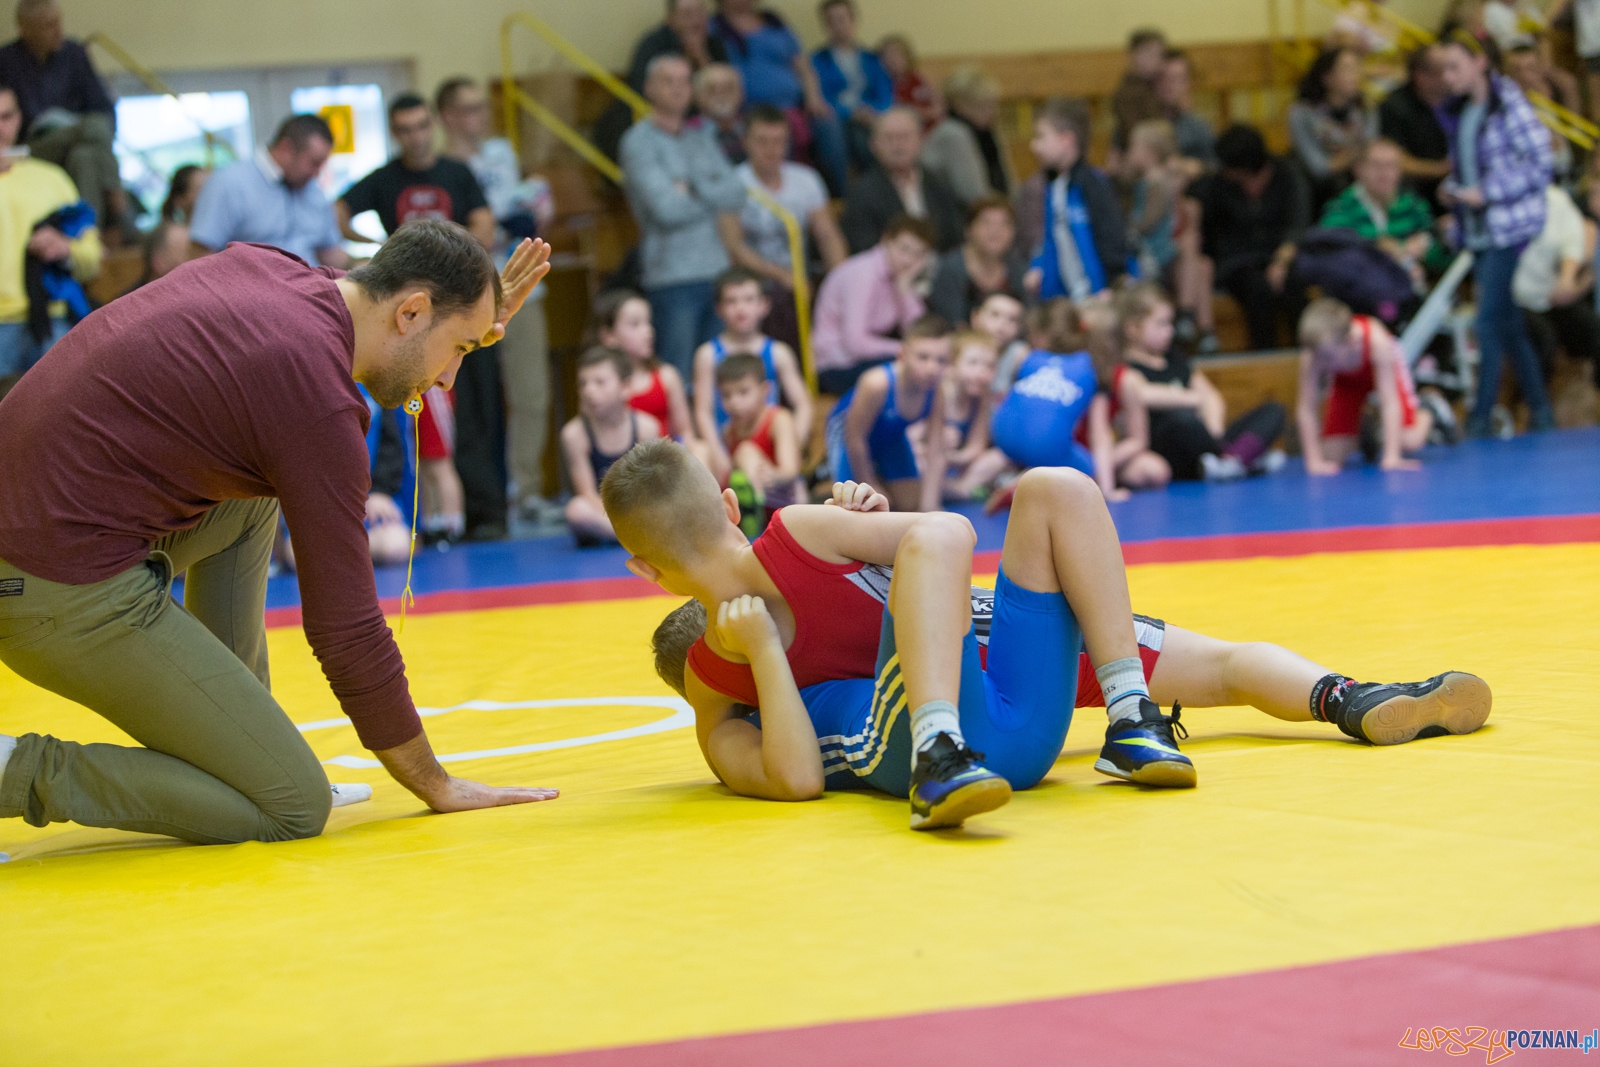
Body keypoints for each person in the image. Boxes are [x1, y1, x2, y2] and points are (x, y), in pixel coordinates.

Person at [0, 222, 559, 844]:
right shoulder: (314, 401)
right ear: (411, 311)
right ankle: (13, 770)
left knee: (251, 497)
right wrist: (433, 782)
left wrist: (472, 319)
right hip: (47, 576)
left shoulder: (277, 272)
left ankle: (239, 749)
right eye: (458, 348)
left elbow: (406, 328)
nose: (449, 379)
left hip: (39, 522)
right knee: (292, 804)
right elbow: (346, 630)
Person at [599, 448, 1203, 827]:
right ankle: (938, 751)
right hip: (942, 732)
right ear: (731, 507)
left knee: (1056, 486)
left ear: (644, 570)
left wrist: (883, 546)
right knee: (962, 526)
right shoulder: (721, 659)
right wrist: (761, 650)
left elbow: (944, 538)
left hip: (995, 713)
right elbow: (798, 780)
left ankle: (1130, 716)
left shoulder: (801, 543)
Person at [645, 573, 1492, 817]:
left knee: (1223, 665)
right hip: (1032, 623)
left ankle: (1356, 697)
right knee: (1230, 662)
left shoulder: (797, 684)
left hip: (998, 673)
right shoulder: (804, 607)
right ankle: (1351, 695)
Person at [338, 94, 506, 540]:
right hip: (413, 315)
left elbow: (485, 229)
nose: (415, 136)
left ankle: (485, 515)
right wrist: (373, 250)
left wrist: (450, 257)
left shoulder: (456, 173)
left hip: (460, 305)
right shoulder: (385, 179)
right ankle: (442, 522)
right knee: (427, 437)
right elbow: (336, 213)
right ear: (395, 133)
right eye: (404, 128)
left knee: (471, 415)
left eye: (420, 125)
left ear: (433, 125)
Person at [437, 76, 557, 524]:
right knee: (472, 402)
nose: (479, 118)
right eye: (469, 109)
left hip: (523, 281)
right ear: (447, 115)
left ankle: (523, 490)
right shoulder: (443, 169)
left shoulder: (503, 155)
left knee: (531, 394)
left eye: (482, 108)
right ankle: (468, 498)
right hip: (471, 293)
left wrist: (538, 206)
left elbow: (532, 210)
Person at [1435, 30, 1556, 435]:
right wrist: (1455, 194)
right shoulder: (1463, 111)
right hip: (1481, 231)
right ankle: (1541, 410)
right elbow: (1469, 167)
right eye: (1443, 69)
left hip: (1507, 228)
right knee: (1507, 325)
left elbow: (1542, 160)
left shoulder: (1508, 105)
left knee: (1486, 323)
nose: (1448, 77)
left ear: (1480, 62)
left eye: (1455, 67)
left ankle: (1481, 417)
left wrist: (1488, 194)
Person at [619, 53, 748, 383]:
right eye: (668, 81)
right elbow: (666, 210)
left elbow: (737, 193)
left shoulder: (700, 138)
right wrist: (709, 190)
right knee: (680, 378)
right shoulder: (638, 142)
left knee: (722, 378)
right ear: (648, 88)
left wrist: (690, 188)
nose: (678, 89)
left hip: (716, 271)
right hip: (672, 279)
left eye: (684, 81)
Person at [1114, 282, 1286, 484]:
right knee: (1181, 421)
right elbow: (1141, 394)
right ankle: (1241, 459)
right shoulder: (1127, 366)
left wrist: (1213, 430)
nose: (1169, 331)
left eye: (1171, 324)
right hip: (1169, 447)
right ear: (1132, 328)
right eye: (1161, 324)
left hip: (1204, 440)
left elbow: (1211, 397)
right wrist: (1192, 399)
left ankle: (1228, 459)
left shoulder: (1175, 359)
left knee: (1274, 410)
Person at [719, 102, 848, 347]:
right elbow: (734, 247)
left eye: (779, 141)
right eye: (762, 141)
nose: (772, 149)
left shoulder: (806, 179)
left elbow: (827, 235)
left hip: (800, 280)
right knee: (780, 302)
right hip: (753, 283)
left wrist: (841, 280)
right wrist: (782, 276)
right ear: (745, 142)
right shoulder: (732, 183)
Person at [0, 80, 99, 378]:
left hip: (52, 318)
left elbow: (92, 258)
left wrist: (66, 249)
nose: (0, 128)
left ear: (18, 118)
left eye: (5, 117)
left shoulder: (52, 179)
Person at [0, 0, 119, 232]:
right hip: (25, 151)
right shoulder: (5, 62)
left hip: (74, 147)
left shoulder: (74, 54)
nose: (58, 31)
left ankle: (86, 234)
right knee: (90, 129)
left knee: (85, 156)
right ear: (25, 29)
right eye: (48, 26)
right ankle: (115, 193)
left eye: (58, 23)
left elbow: (103, 109)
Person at [711, 0, 848, 195]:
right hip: (748, 109)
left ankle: (837, 197)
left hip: (793, 105)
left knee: (828, 122)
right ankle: (784, 197)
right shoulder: (715, 27)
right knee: (775, 128)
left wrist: (814, 97)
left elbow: (804, 68)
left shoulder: (775, 23)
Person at [1192, 124, 1310, 350]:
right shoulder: (1217, 186)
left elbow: (1298, 223)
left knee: (1293, 285)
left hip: (1281, 254)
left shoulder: (1287, 175)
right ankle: (1266, 354)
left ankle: (1305, 353)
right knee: (1258, 288)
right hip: (1237, 262)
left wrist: (1281, 261)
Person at [691, 266, 812, 478]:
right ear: (719, 309)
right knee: (699, 451)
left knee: (753, 454)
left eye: (748, 300)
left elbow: (803, 405)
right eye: (732, 301)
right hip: (726, 443)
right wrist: (719, 456)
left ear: (764, 306)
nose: (741, 308)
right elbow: (703, 412)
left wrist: (792, 444)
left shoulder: (778, 353)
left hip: (768, 442)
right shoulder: (708, 355)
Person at [825, 313, 950, 514]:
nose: (932, 368)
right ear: (903, 356)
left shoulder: (936, 392)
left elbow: (936, 450)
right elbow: (855, 440)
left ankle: (884, 479)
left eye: (941, 360)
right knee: (861, 506)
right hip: (848, 436)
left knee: (911, 504)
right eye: (923, 357)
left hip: (891, 438)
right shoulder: (876, 383)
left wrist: (931, 506)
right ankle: (825, 484)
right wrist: (873, 484)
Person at [188, 113, 349, 268]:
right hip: (253, 292)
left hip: (312, 289)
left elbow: (329, 252)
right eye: (314, 163)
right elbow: (201, 257)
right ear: (286, 148)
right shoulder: (229, 184)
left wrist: (364, 270)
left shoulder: (313, 190)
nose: (317, 173)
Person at [1296, 296, 1433, 473]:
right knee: (1331, 454)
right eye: (1318, 356)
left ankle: (1428, 410)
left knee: (1410, 441)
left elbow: (1389, 401)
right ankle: (1370, 428)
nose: (1321, 363)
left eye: (1327, 357)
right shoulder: (1315, 354)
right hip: (1346, 381)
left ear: (1350, 341)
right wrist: (1313, 462)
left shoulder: (1378, 342)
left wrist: (1392, 457)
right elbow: (1306, 409)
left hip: (1382, 373)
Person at [1014, 97, 1128, 302]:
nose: (1034, 145)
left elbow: (1112, 238)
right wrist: (1039, 268)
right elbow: (1051, 240)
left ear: (1066, 139)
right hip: (1067, 296)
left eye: (1041, 137)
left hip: (1099, 295)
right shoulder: (1053, 186)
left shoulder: (1093, 185)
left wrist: (1112, 284)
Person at [811, 213, 933, 395]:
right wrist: (906, 350)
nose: (908, 260)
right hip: (836, 366)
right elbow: (856, 344)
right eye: (904, 249)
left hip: (866, 361)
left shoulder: (901, 279)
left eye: (917, 254)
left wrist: (906, 292)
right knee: (913, 370)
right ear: (886, 241)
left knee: (928, 367)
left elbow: (920, 334)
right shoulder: (862, 273)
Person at [562, 346, 663, 546]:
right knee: (576, 510)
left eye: (600, 382)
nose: (589, 391)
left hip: (639, 508)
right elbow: (587, 493)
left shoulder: (646, 428)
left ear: (625, 388)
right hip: (601, 513)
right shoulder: (574, 434)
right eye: (583, 383)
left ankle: (630, 534)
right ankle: (634, 537)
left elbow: (651, 488)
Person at [1318, 138, 1450, 286]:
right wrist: (1383, 250)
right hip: (1361, 294)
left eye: (1391, 165)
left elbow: (1441, 257)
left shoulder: (1413, 205)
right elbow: (1330, 252)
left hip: (1413, 291)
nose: (1384, 173)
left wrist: (1424, 248)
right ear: (1359, 169)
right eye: (1376, 165)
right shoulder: (1341, 207)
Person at [839, 106, 964, 254]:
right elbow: (864, 248)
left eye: (905, 137)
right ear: (873, 145)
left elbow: (956, 238)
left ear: (920, 140)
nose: (898, 145)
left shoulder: (939, 183)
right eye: (889, 138)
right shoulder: (861, 192)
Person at [590, 289, 698, 445]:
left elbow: (685, 432)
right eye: (635, 324)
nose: (648, 331)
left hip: (665, 463)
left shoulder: (667, 376)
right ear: (609, 336)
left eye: (649, 323)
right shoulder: (598, 383)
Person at [1515, 183, 1599, 380]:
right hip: (1514, 299)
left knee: (1595, 329)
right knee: (1545, 339)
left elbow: (1572, 240)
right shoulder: (1501, 200)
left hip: (1549, 294)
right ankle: (1534, 403)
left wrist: (1567, 277)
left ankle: (1596, 394)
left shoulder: (1555, 198)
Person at [920, 330, 1012, 500]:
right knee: (920, 463)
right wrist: (937, 447)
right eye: (973, 363)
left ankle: (958, 488)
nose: (981, 372)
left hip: (954, 464)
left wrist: (953, 457)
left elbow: (976, 446)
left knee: (999, 458)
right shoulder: (939, 392)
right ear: (952, 365)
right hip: (928, 460)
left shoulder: (982, 397)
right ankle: (958, 490)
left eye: (989, 366)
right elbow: (912, 441)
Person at [717, 352, 804, 533]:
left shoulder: (778, 419)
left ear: (765, 391)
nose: (735, 402)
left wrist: (769, 475)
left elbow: (790, 471)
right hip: (745, 510)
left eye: (743, 392)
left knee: (745, 450)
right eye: (726, 395)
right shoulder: (728, 431)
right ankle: (747, 513)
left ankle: (753, 504)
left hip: (783, 505)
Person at [1289, 47, 1379, 213]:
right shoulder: (1302, 112)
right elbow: (1318, 166)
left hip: (1358, 171)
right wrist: (1353, 153)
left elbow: (1370, 150)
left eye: (1357, 68)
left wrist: (1349, 155)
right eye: (1347, 69)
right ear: (1327, 77)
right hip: (1322, 181)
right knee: (1333, 184)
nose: (1355, 76)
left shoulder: (1366, 107)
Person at [810, 0, 893, 172]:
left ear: (853, 20)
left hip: (870, 117)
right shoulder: (817, 60)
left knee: (874, 132)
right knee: (844, 132)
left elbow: (885, 93)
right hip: (838, 119)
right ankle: (840, 194)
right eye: (831, 21)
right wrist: (851, 112)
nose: (838, 25)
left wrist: (874, 111)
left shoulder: (872, 59)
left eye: (842, 19)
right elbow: (820, 99)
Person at [926, 194, 1027, 325]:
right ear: (968, 229)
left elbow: (1027, 322)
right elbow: (950, 323)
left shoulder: (1019, 268)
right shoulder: (949, 269)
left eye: (1005, 223)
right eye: (986, 222)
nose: (996, 230)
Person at [920, 64, 1009, 208]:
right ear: (961, 105)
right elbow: (973, 194)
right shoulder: (952, 134)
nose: (992, 111)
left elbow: (1006, 182)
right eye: (984, 105)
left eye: (993, 104)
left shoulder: (986, 133)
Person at [1379, 45, 1454, 209]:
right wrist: (1443, 169)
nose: (1450, 77)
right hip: (1418, 192)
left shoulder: (1459, 99)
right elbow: (1396, 160)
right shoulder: (1394, 106)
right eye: (1443, 70)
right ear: (1420, 76)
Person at [1502, 43, 1577, 181]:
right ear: (1506, 75)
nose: (1525, 77)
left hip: (1564, 176)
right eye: (1516, 70)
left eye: (1531, 68)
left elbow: (1570, 87)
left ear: (1541, 71)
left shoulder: (1552, 98)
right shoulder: (1502, 112)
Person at [1111, 28, 1170, 153]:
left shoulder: (1158, 85)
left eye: (1160, 55)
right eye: (1151, 54)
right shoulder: (1126, 94)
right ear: (1134, 55)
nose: (1158, 61)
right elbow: (1133, 134)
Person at [1158, 49, 1218, 172]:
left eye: (1178, 78)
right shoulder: (1135, 120)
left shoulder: (1199, 126)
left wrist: (1198, 166)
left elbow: (1218, 166)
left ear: (1188, 83)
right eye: (1163, 77)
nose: (1170, 84)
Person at [692, 62, 747, 164]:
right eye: (712, 89)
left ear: (741, 93)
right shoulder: (687, 131)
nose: (721, 95)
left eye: (728, 88)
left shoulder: (752, 127)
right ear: (697, 96)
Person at [878, 33, 938, 127]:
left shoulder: (918, 80)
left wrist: (919, 113)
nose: (893, 60)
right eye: (888, 56)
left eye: (898, 55)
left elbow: (936, 110)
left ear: (908, 57)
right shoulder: (882, 85)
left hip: (926, 129)